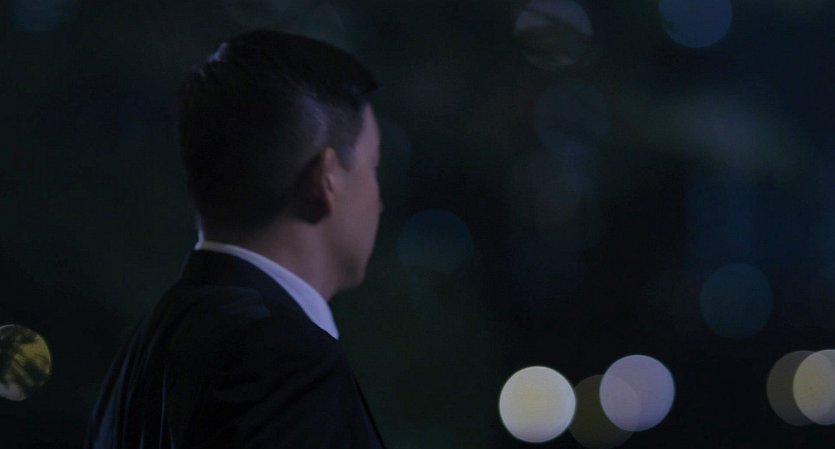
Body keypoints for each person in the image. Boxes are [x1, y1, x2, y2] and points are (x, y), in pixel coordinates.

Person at [85, 30, 386, 449]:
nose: (379, 199)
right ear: (327, 179)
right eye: (374, 165)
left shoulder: (141, 351)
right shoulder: (289, 360)